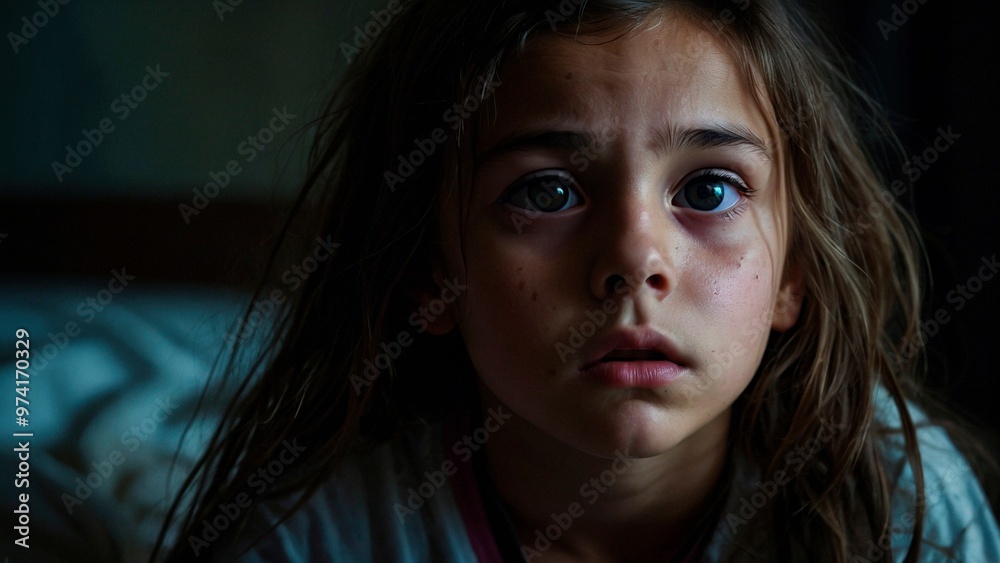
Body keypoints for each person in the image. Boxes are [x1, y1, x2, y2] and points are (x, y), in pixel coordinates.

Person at [152, 0, 1000, 561]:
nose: (635, 258)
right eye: (546, 193)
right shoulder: (311, 538)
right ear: (429, 270)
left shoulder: (900, 509)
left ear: (795, 271)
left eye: (709, 190)